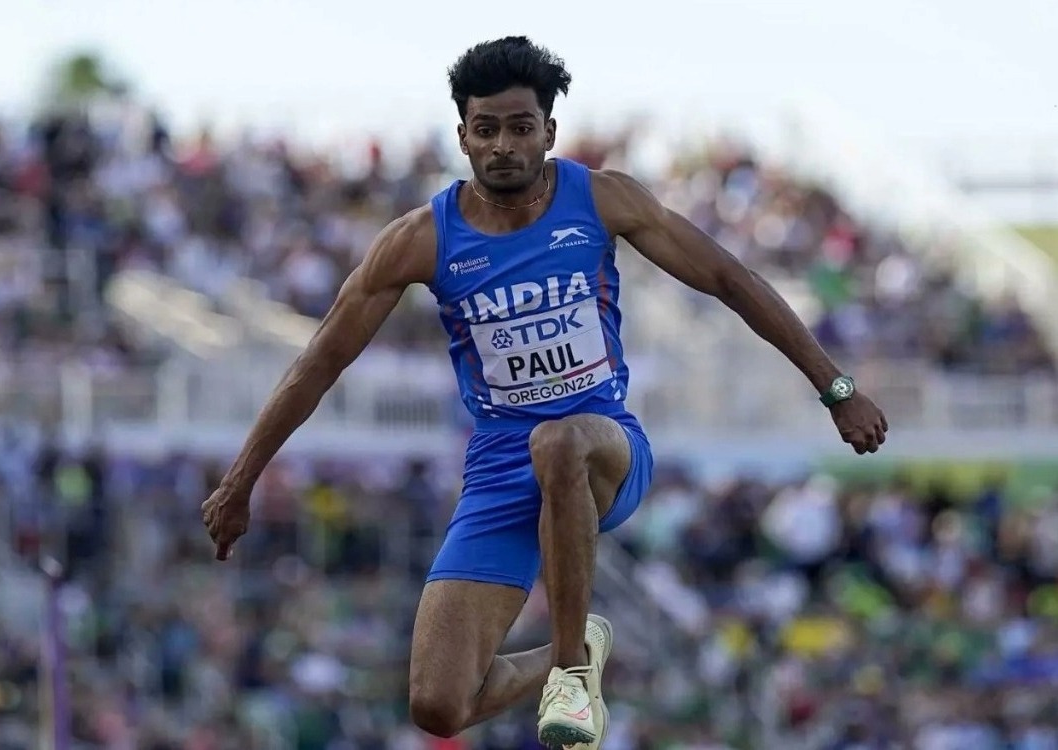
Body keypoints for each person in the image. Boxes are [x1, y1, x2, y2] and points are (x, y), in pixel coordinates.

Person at [201, 36, 889, 748]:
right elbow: (317, 362)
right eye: (486, 129)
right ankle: (577, 643)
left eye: (520, 127)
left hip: (602, 451)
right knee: (438, 705)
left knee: (556, 439)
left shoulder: (601, 199)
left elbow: (727, 279)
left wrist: (834, 387)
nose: (504, 145)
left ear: (548, 133)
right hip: (500, 477)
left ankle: (569, 677)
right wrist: (240, 481)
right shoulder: (420, 241)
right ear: (462, 137)